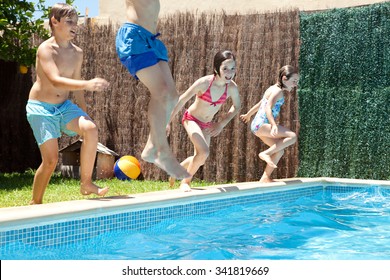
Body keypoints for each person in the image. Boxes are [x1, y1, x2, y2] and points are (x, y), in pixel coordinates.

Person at [26, 3, 110, 204]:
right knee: (51, 161)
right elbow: (55, 79)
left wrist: (84, 111)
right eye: (69, 21)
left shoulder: (77, 52)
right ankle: (35, 202)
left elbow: (76, 85)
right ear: (55, 22)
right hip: (41, 109)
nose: (75, 26)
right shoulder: (45, 50)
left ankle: (86, 183)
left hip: (64, 106)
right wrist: (87, 84)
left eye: (77, 21)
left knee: (90, 129)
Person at [115, 0, 190, 180]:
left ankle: (151, 146)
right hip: (134, 38)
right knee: (162, 92)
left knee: (171, 97)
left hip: (151, 40)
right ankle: (162, 151)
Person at [167, 50, 241, 191]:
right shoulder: (204, 83)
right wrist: (167, 121)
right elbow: (182, 100)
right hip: (191, 119)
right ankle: (185, 182)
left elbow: (237, 106)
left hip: (206, 124)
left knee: (201, 158)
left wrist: (221, 123)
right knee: (204, 152)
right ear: (216, 68)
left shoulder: (231, 87)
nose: (229, 72)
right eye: (225, 68)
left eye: (233, 68)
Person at [240, 65, 298, 183]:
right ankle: (265, 153)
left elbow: (261, 103)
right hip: (262, 124)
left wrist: (249, 114)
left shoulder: (272, 88)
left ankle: (265, 178)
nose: (295, 84)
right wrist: (274, 125)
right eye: (294, 81)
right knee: (292, 137)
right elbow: (267, 108)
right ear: (284, 79)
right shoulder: (278, 92)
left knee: (279, 150)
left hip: (257, 125)